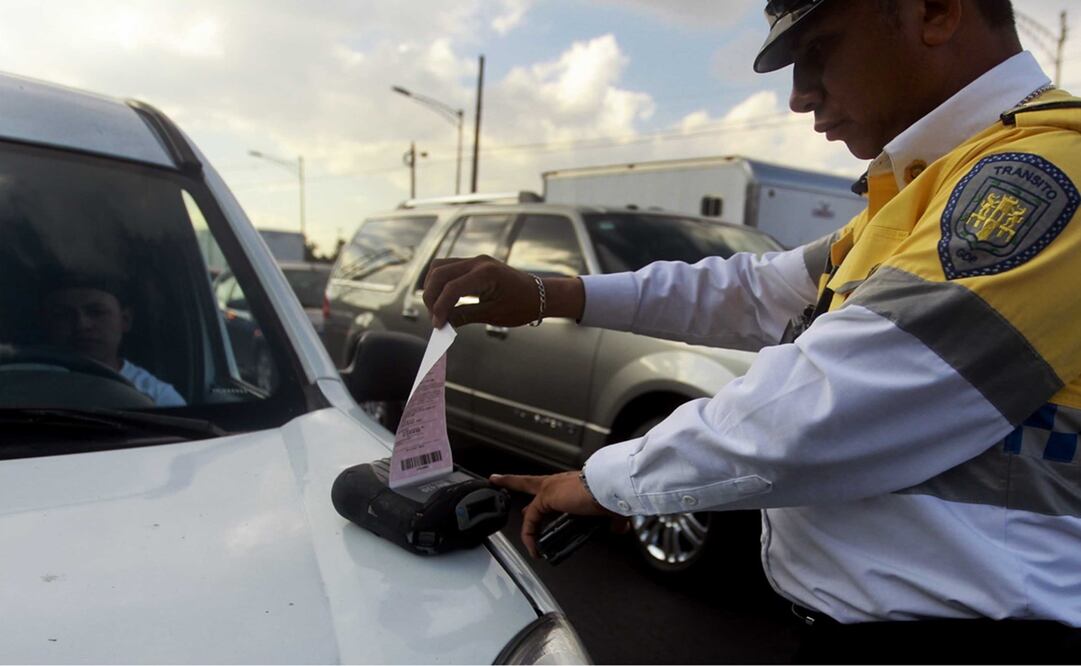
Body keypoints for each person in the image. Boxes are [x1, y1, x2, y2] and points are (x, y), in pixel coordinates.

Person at [422, 0, 1081, 661]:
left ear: (935, 13)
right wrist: (550, 292)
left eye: (818, 51)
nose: (798, 97)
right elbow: (751, 291)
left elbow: (829, 404)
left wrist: (607, 479)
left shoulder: (1045, 180)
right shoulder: (934, 190)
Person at [42, 281, 186, 407]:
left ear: (125, 320)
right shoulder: (31, 383)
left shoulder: (160, 398)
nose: (81, 325)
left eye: (96, 312)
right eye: (63, 315)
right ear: (48, 324)